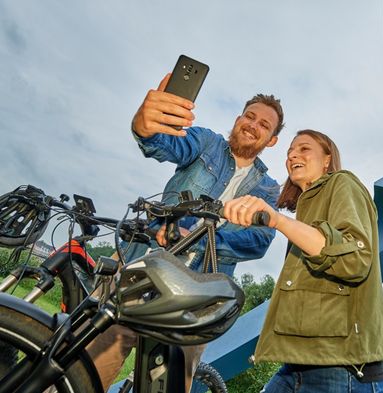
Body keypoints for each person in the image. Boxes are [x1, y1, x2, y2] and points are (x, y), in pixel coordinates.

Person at [87, 73, 285, 392]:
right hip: (143, 267)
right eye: (250, 116)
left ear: (271, 139)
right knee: (93, 362)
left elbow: (259, 241)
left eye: (265, 124)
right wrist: (146, 126)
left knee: (167, 382)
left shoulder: (267, 188)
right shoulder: (206, 142)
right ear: (238, 119)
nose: (253, 125)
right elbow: (165, 143)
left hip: (199, 294)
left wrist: (200, 238)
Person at [224, 129, 383, 392]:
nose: (292, 155)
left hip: (341, 368)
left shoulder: (342, 183)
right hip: (299, 365)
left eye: (304, 148)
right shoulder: (306, 207)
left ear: (327, 159)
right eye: (290, 151)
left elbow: (355, 259)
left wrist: (277, 220)